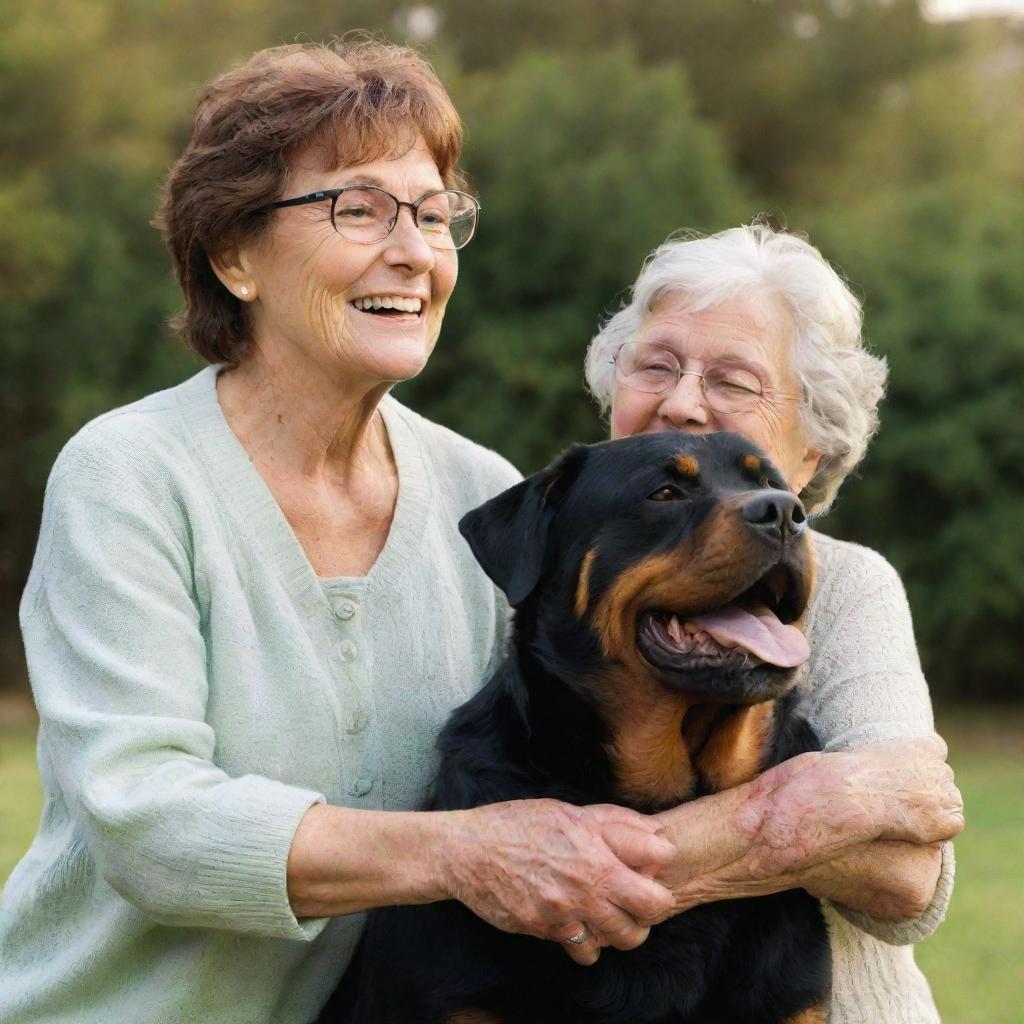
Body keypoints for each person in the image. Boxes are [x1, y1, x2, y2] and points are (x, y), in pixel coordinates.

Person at [0, 38, 959, 1024]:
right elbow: (145, 824)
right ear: (235, 255)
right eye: (358, 208)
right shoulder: (133, 475)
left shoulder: (476, 486)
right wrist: (463, 850)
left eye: (432, 213)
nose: (413, 250)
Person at [580, 223, 964, 1023]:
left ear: (809, 453)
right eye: (656, 366)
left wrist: (583, 863)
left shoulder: (851, 588)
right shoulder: (555, 572)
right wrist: (839, 798)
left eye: (733, 380)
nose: (682, 402)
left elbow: (904, 879)